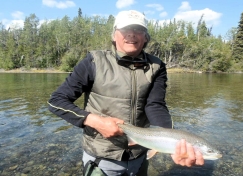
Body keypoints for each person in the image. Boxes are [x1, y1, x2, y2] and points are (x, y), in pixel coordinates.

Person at [48, 10, 204, 176]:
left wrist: (172, 145)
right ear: (114, 35)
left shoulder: (157, 66)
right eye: (125, 29)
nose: (131, 34)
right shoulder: (93, 61)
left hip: (139, 156)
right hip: (102, 158)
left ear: (146, 37)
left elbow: (155, 105)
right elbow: (56, 101)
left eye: (138, 30)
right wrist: (95, 121)